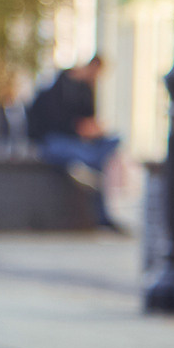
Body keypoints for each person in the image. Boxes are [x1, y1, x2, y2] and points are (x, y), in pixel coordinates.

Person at [25, 55, 120, 228]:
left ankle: (83, 167)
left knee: (114, 139)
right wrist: (77, 128)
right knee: (84, 157)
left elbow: (88, 122)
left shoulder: (87, 91)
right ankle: (82, 166)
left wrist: (94, 130)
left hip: (81, 143)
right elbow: (50, 123)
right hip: (56, 141)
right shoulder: (55, 90)